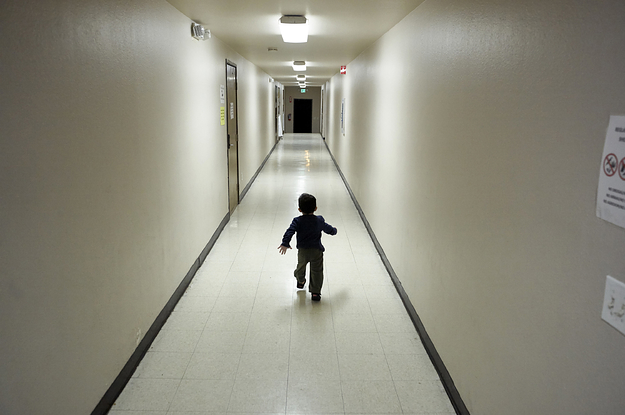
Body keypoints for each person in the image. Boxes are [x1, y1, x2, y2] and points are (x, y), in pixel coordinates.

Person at [278, 193, 337, 301]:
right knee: (317, 272)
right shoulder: (319, 220)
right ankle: (315, 292)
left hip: (303, 251)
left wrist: (285, 243)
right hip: (316, 251)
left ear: (299, 209)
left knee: (300, 268)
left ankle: (301, 280)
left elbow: (289, 231)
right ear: (315, 208)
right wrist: (334, 231)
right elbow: (327, 228)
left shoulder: (297, 221)